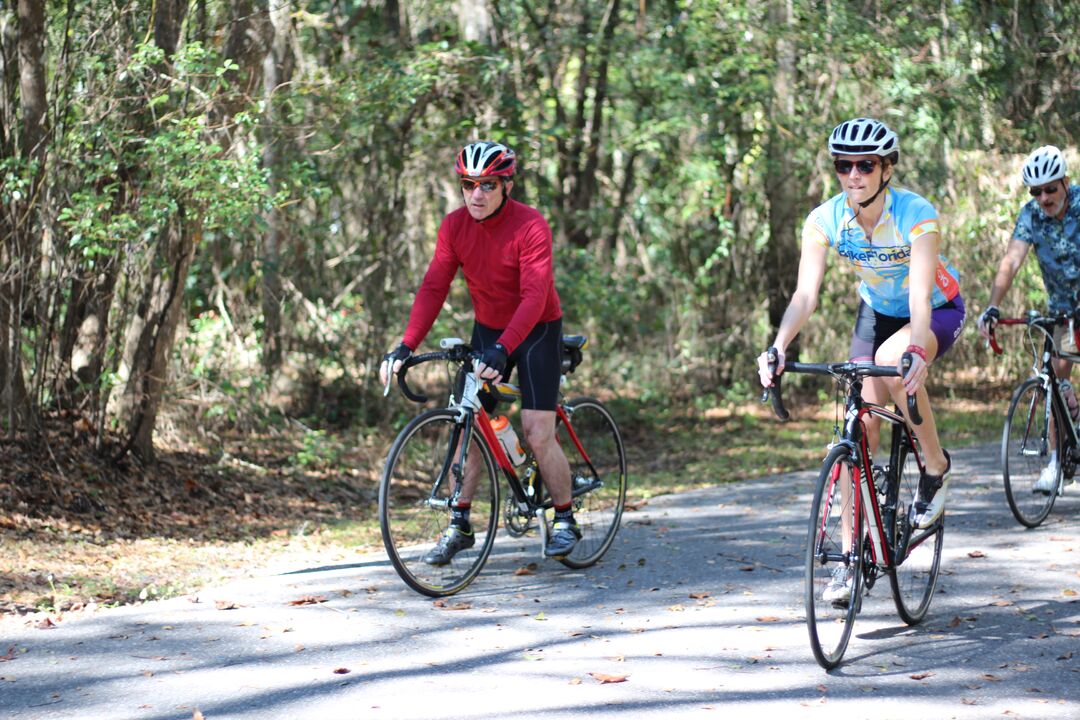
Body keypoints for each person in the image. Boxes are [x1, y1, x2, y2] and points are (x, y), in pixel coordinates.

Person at [757, 118, 965, 602]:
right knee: (858, 426)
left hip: (932, 309)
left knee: (895, 360)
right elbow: (805, 294)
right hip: (874, 311)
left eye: (865, 165)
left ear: (886, 168)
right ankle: (852, 558)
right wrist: (779, 345)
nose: (854, 174)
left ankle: (935, 468)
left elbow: (918, 295)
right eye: (843, 165)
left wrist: (916, 348)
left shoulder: (916, 213)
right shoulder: (824, 219)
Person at [379, 140, 580, 562]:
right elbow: (435, 286)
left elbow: (533, 294)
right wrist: (405, 345)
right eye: (469, 184)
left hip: (536, 329)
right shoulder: (454, 227)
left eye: (487, 184)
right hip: (490, 329)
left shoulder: (530, 225)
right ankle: (459, 523)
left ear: (506, 185)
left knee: (537, 432)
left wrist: (504, 349)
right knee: (468, 425)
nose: (477, 194)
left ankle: (564, 517)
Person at [977, 145, 1079, 494]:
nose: (1044, 197)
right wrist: (993, 306)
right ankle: (1057, 462)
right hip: (1063, 312)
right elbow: (1011, 262)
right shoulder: (1031, 216)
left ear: (1066, 182)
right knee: (1054, 382)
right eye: (1036, 191)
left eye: (1051, 188)